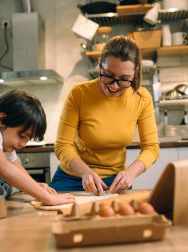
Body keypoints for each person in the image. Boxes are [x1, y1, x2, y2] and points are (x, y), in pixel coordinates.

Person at [50, 35, 159, 195]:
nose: (114, 86)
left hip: (115, 181)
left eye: (124, 79)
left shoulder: (142, 98)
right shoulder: (79, 94)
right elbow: (62, 145)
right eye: (108, 75)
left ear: (135, 73)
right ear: (100, 64)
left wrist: (130, 173)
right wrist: (85, 173)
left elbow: (151, 147)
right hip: (72, 177)